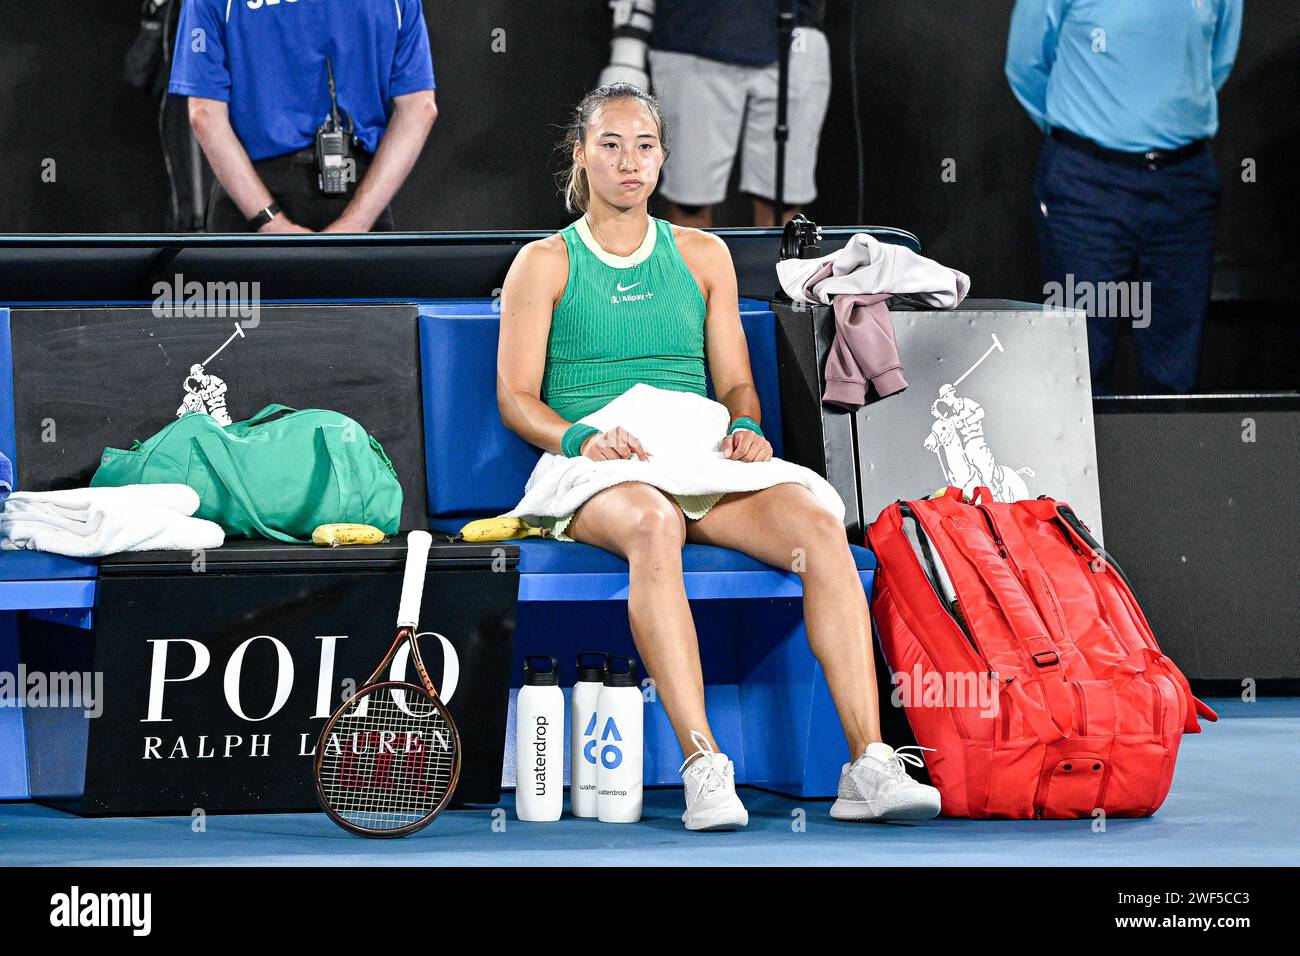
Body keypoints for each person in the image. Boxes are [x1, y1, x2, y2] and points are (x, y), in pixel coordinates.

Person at [497, 83, 940, 831]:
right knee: (652, 524)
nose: (628, 161)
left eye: (644, 145)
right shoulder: (543, 263)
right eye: (610, 144)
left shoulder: (706, 255)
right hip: (599, 465)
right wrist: (584, 438)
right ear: (581, 156)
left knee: (819, 528)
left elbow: (736, 380)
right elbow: (517, 398)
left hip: (696, 455)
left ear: (663, 157)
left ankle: (868, 763)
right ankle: (704, 763)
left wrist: (743, 426)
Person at [1006, 0, 1243, 394]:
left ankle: (1167, 455)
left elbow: (1216, 61)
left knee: (1175, 363)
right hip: (1087, 183)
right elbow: (1026, 64)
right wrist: (1084, 131)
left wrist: (1157, 120)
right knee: (1081, 357)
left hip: (1184, 183)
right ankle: (1079, 458)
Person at [167, 0, 438, 233]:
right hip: (360, 190)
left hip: (250, 201)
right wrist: (357, 223)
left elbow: (204, 114)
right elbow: (419, 107)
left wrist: (270, 221)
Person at [647, 0, 830, 228]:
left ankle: (779, 264)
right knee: (690, 201)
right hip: (694, 30)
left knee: (782, 201)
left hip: (797, 30)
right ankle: (690, 264)